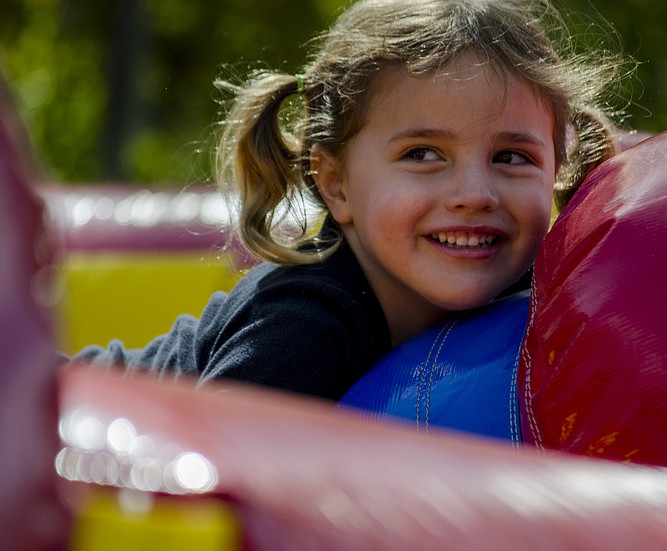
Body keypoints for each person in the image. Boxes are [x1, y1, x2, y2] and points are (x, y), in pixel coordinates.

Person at [70, 0, 626, 400]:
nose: (474, 195)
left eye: (511, 158)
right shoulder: (304, 324)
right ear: (336, 185)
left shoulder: (529, 290)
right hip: (70, 414)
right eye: (423, 154)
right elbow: (218, 493)